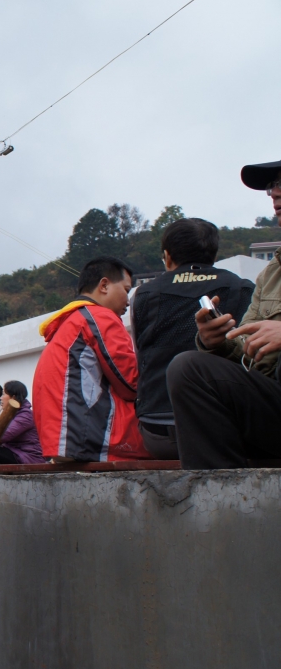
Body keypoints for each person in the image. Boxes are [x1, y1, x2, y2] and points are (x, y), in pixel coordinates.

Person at [167, 159, 281, 469]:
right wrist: (215, 341)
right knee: (188, 367)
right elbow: (248, 350)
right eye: (272, 187)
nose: (275, 195)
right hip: (274, 406)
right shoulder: (272, 273)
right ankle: (216, 501)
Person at [131, 218, 254, 459]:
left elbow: (141, 357)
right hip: (227, 427)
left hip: (159, 432)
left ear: (167, 256)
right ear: (212, 254)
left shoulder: (143, 295)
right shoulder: (242, 289)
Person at [33, 256, 149, 462]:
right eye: (126, 289)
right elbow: (131, 383)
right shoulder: (99, 317)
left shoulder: (69, 321)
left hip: (63, 440)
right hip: (92, 438)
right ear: (104, 285)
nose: (128, 300)